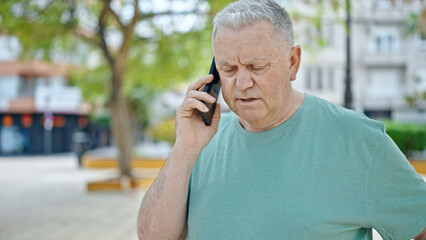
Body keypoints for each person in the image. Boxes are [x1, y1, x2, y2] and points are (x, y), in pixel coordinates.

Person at [137, 0, 426, 239]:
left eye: (256, 66)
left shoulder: (360, 141)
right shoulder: (198, 143)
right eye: (228, 68)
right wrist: (184, 149)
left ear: (292, 62)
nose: (242, 82)